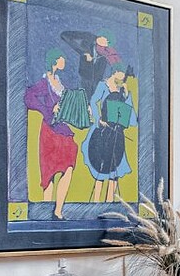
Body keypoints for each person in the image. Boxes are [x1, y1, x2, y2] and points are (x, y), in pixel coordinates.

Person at [22, 48, 78, 219]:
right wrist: (47, 110)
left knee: (69, 167)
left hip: (64, 130)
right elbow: (28, 97)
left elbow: (69, 103)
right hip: (50, 132)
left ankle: (58, 210)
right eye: (62, 58)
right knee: (49, 174)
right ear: (54, 61)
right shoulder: (43, 83)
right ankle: (46, 214)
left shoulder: (61, 83)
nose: (64, 61)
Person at [83, 63, 135, 202]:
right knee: (100, 168)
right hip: (103, 131)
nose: (123, 77)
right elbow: (93, 102)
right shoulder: (103, 85)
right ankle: (96, 202)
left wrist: (126, 95)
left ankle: (110, 201)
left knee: (115, 169)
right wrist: (98, 119)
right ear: (115, 72)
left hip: (117, 133)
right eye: (122, 74)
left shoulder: (121, 89)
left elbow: (130, 116)